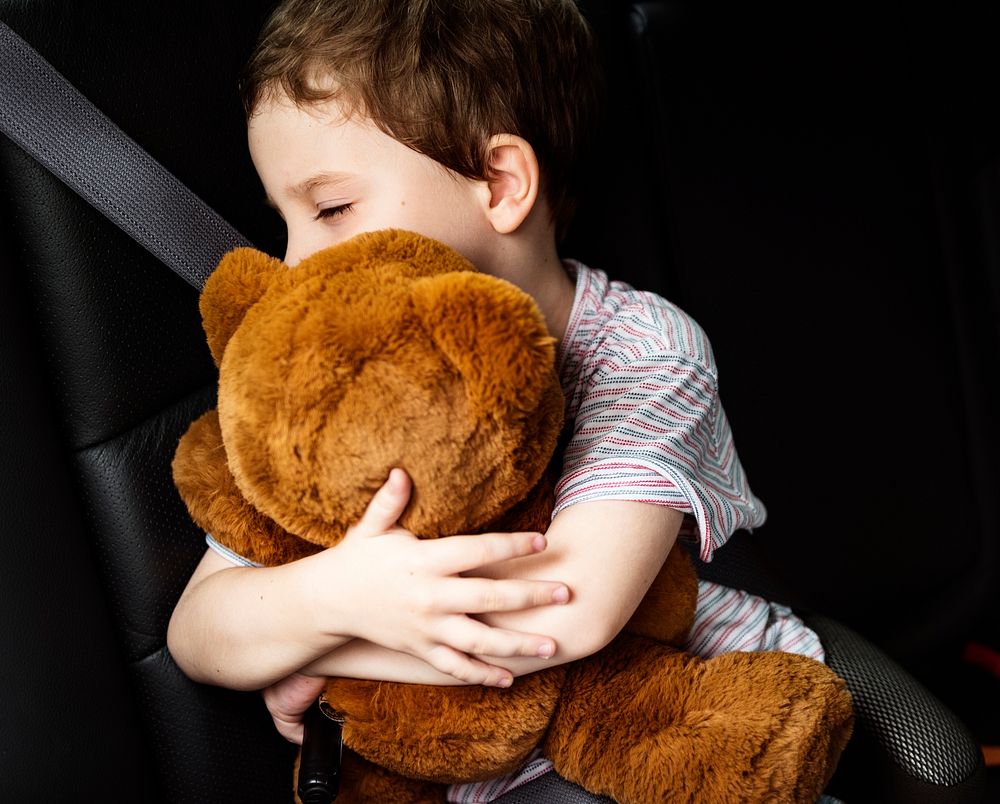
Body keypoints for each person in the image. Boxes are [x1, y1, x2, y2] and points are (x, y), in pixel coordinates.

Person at [167, 0, 824, 799]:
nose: (297, 263)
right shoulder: (326, 377)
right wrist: (335, 595)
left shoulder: (645, 350)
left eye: (332, 208)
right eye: (285, 223)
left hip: (653, 725)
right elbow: (199, 632)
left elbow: (566, 617)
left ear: (501, 183)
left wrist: (317, 646)